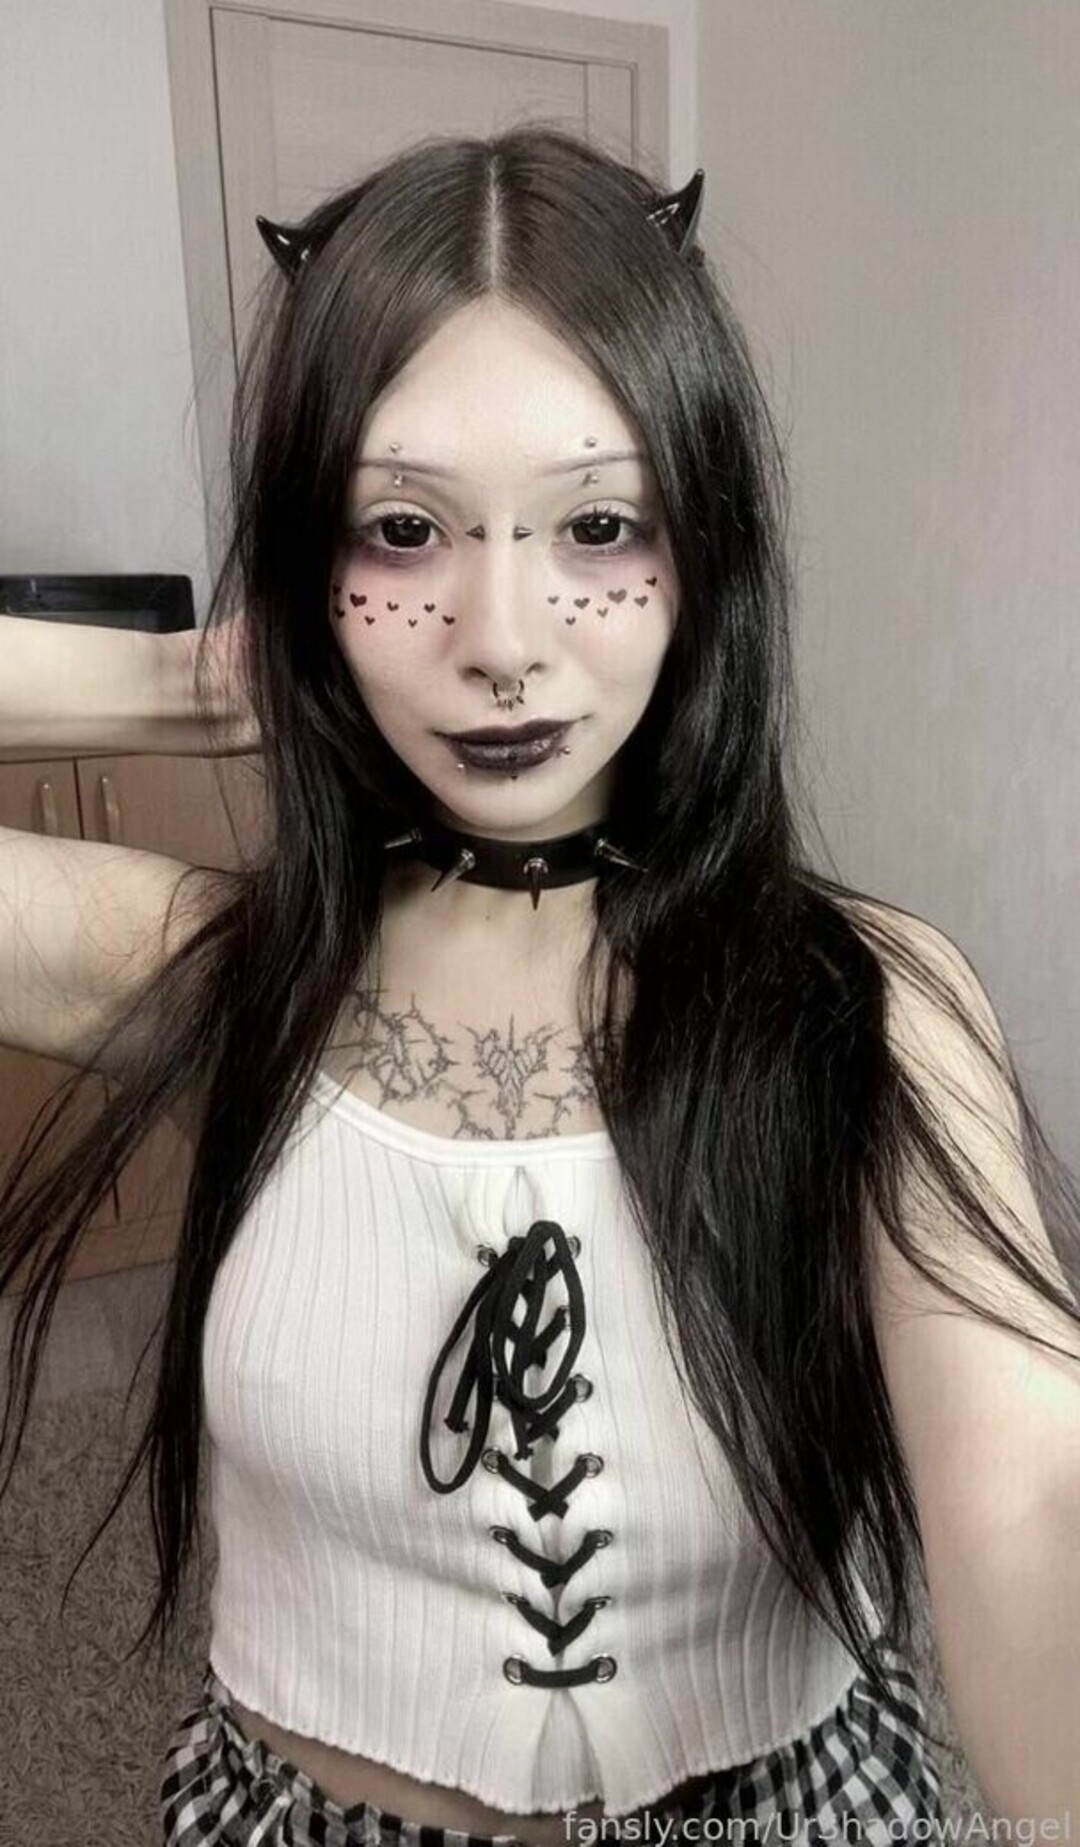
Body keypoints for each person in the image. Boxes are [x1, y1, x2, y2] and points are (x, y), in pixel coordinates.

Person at [1, 125, 1078, 1846]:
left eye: (597, 524)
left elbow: (1032, 1496)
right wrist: (180, 683)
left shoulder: (864, 1005)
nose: (503, 638)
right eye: (401, 530)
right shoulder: (223, 977)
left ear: (702, 547)